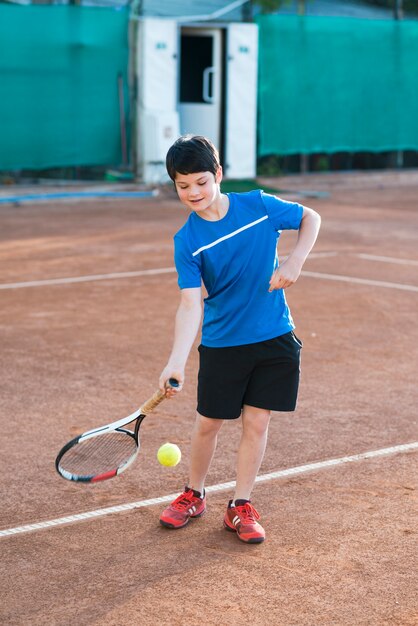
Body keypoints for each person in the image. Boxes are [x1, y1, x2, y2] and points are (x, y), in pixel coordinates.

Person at [158, 135, 321, 543]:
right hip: (223, 343)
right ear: (175, 186)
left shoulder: (257, 206)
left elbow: (310, 218)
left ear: (218, 175)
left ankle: (240, 505)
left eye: (200, 181)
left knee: (258, 421)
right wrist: (176, 360)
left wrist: (295, 260)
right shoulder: (187, 242)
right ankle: (193, 494)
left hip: (273, 337)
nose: (193, 192)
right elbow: (190, 305)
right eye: (183, 185)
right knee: (209, 422)